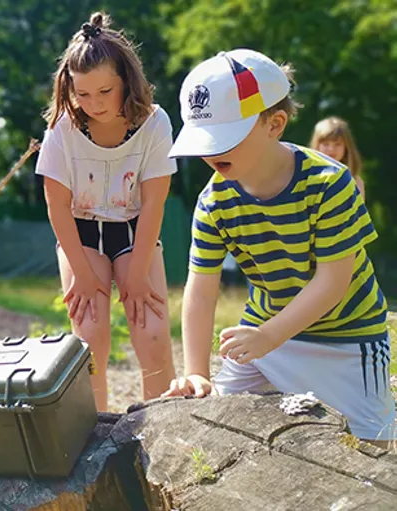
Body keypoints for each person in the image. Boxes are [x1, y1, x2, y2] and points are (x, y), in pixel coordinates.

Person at [163, 48, 395, 448]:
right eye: (204, 139)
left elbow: (333, 281)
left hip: (348, 338)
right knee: (215, 423)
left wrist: (269, 335)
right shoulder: (214, 201)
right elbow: (201, 289)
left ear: (275, 124)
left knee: (373, 449)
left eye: (225, 137)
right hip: (266, 338)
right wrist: (197, 371)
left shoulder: (329, 183)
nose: (211, 152)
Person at [34, 11, 177, 411]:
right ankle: (94, 430)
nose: (93, 103)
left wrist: (136, 272)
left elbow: (153, 201)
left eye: (104, 91)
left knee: (151, 330)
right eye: (82, 94)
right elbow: (56, 205)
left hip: (135, 230)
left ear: (126, 82)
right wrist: (80, 273)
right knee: (90, 331)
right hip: (81, 233)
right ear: (69, 88)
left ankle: (164, 422)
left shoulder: (155, 123)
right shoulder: (62, 127)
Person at [310, 116, 365, 198]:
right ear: (317, 146)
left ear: (346, 147)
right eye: (326, 144)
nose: (331, 149)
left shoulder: (355, 181)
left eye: (337, 144)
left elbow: (359, 210)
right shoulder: (308, 178)